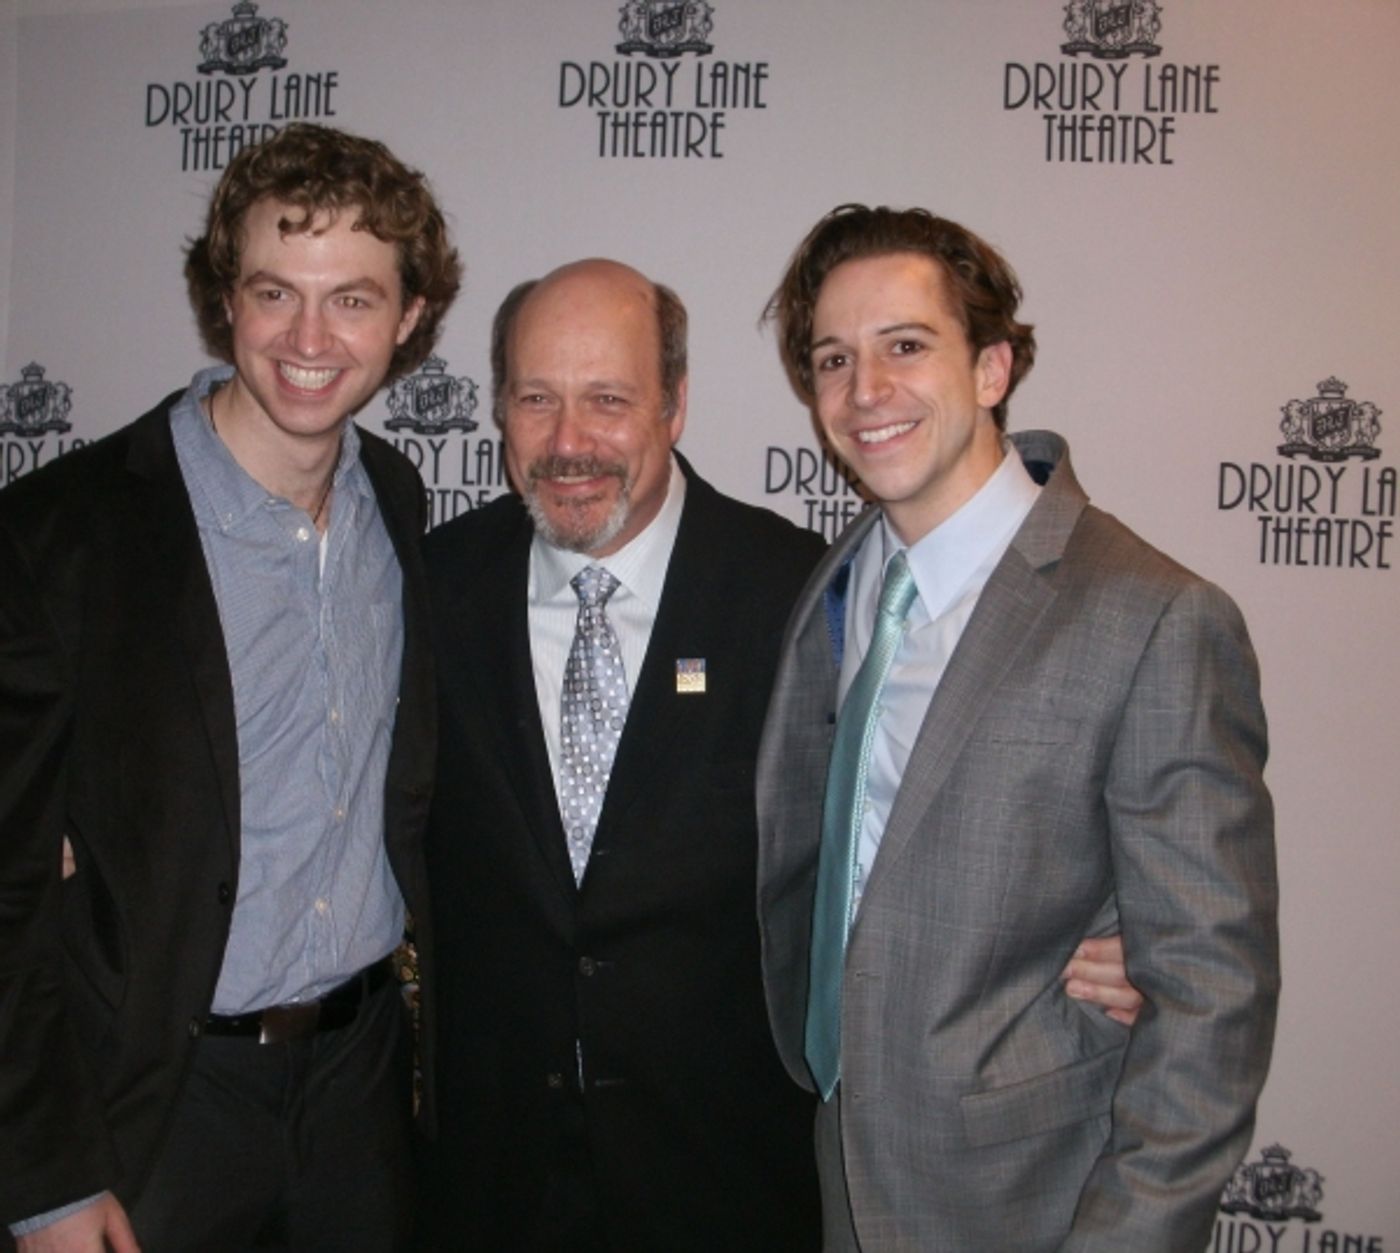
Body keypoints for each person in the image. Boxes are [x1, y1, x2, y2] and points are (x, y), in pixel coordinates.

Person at [421, 257, 1140, 1251]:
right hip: (483, 1179)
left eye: (608, 399)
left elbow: (937, 795)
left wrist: (1090, 929)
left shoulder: (803, 594)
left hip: (724, 1178)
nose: (567, 441)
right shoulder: (431, 586)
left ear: (673, 404)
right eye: (535, 398)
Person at [756, 204, 1279, 1251]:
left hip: (1030, 1196)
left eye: (905, 346)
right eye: (831, 359)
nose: (865, 393)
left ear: (991, 368)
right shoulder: (841, 582)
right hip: (841, 1159)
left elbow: (1212, 1000)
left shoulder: (1150, 616)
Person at [0, 123, 461, 1252]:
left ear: (407, 319)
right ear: (225, 300)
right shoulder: (65, 532)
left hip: (361, 1085)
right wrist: (45, 1177)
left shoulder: (395, 503)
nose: (309, 338)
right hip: (155, 1099)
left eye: (352, 298)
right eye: (273, 292)